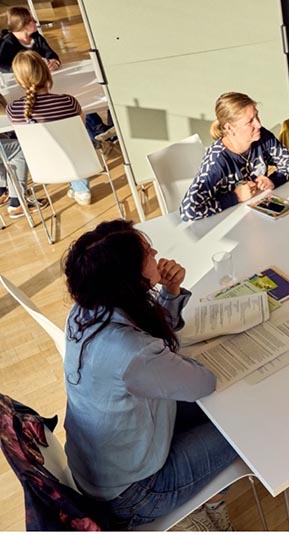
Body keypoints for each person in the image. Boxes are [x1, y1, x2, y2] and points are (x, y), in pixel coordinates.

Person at [62, 220, 237, 530]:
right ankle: (206, 509)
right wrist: (174, 359)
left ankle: (204, 500)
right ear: (129, 278)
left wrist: (170, 292)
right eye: (146, 253)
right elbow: (203, 382)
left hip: (106, 465)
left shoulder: (85, 311)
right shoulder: (132, 353)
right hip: (137, 494)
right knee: (241, 424)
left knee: (225, 406)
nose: (155, 253)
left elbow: (149, 332)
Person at [180, 92, 289, 221]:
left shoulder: (262, 137)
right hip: (230, 222)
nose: (258, 124)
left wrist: (273, 180)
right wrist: (235, 197)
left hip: (260, 215)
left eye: (256, 116)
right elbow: (189, 211)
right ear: (229, 128)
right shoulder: (217, 162)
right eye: (250, 121)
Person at [6, 51, 93, 207]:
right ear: (46, 73)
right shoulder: (68, 101)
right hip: (76, 162)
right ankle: (81, 189)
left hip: (43, 167)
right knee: (73, 142)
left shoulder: (13, 110)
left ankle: (78, 188)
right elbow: (81, 129)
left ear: (18, 80)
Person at [0, 6, 60, 72]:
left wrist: (54, 62)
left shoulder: (36, 37)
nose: (36, 22)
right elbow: (2, 67)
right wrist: (25, 69)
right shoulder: (6, 44)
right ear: (22, 24)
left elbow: (50, 54)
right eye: (32, 20)